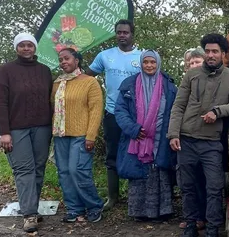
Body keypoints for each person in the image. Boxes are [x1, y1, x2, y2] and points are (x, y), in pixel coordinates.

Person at [168, 34, 229, 237]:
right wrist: (173, 134)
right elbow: (178, 106)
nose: (211, 55)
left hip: (211, 143)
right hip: (186, 139)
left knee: (214, 188)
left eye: (215, 52)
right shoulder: (191, 76)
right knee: (187, 187)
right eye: (208, 51)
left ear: (223, 54)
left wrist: (217, 111)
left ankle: (212, 229)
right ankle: (191, 225)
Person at [0, 33, 53, 233]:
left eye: (30, 45)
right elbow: (0, 103)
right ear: (16, 48)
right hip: (17, 129)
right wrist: (5, 132)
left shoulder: (45, 71)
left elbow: (51, 100)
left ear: (35, 48)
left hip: (42, 128)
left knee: (38, 168)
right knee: (24, 170)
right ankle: (28, 215)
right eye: (22, 45)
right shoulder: (6, 71)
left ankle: (32, 208)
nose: (26, 48)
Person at [114, 50, 177, 222]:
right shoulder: (129, 84)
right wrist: (133, 128)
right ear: (141, 63)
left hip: (160, 137)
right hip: (137, 138)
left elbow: (175, 110)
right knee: (139, 170)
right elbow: (120, 110)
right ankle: (139, 212)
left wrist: (171, 132)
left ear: (158, 64)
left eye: (153, 62)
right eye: (146, 62)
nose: (149, 65)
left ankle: (162, 212)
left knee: (160, 172)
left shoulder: (169, 85)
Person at [87, 19, 142, 210]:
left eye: (125, 32)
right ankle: (113, 197)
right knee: (112, 155)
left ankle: (137, 197)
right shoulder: (105, 56)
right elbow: (87, 78)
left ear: (132, 34)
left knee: (138, 153)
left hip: (136, 116)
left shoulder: (142, 56)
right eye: (119, 32)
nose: (122, 35)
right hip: (112, 114)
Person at [52, 48, 104, 223]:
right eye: (60, 60)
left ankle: (94, 205)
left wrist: (91, 136)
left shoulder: (89, 82)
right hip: (60, 134)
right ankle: (74, 209)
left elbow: (96, 111)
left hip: (81, 135)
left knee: (78, 171)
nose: (63, 62)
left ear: (77, 61)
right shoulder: (57, 83)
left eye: (67, 58)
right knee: (64, 173)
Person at [178, 46, 207, 230]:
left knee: (203, 181)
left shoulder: (210, 83)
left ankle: (203, 217)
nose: (194, 65)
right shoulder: (182, 86)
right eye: (191, 63)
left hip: (206, 139)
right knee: (186, 182)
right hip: (184, 139)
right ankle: (191, 217)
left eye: (197, 62)